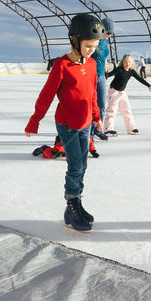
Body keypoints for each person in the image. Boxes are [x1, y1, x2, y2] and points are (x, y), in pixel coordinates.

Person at [26, 13, 106, 233]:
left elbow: (91, 95)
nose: (92, 49)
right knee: (75, 166)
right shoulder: (62, 65)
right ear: (75, 40)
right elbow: (46, 95)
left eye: (95, 45)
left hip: (86, 123)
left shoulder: (90, 64)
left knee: (83, 164)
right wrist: (35, 121)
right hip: (68, 124)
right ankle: (72, 206)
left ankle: (76, 203)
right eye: (89, 45)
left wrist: (97, 117)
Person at [104, 54, 151, 135]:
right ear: (122, 62)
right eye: (125, 61)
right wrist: (105, 73)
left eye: (129, 62)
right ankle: (108, 129)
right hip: (114, 91)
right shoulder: (119, 69)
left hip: (123, 92)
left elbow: (139, 79)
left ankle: (131, 128)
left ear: (132, 63)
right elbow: (109, 75)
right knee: (112, 110)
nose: (127, 63)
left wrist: (149, 85)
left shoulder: (131, 72)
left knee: (127, 110)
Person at [90, 17, 114, 142]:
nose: (109, 35)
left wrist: (105, 68)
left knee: (102, 105)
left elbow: (103, 57)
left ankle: (98, 130)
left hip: (101, 76)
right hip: (90, 75)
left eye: (111, 33)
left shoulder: (106, 41)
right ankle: (88, 133)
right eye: (107, 32)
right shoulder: (93, 39)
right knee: (90, 105)